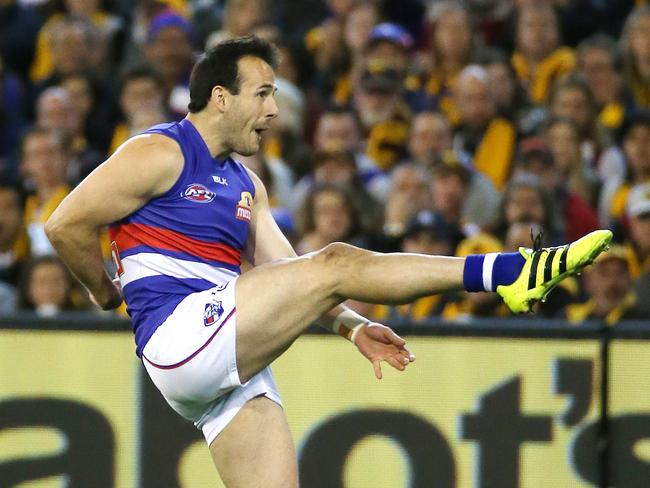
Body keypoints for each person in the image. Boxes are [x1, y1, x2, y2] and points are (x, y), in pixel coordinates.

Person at [45, 36, 612, 486]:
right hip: (179, 334)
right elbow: (64, 224)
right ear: (221, 96)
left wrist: (353, 326)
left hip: (221, 354)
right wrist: (104, 292)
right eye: (262, 94)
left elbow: (296, 275)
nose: (273, 110)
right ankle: (507, 272)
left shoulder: (247, 183)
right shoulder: (160, 151)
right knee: (337, 258)